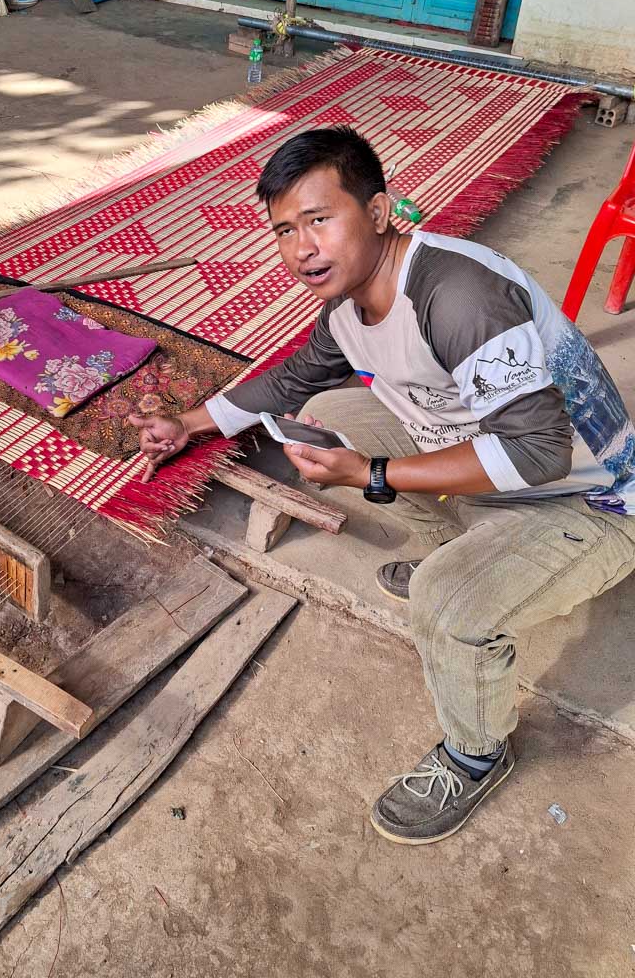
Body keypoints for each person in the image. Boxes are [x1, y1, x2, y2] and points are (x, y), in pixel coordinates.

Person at [130, 126, 635, 846]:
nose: (301, 248)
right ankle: (464, 544)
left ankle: (476, 753)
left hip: (590, 500)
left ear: (378, 211)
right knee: (329, 413)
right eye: (283, 231)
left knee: (447, 603)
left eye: (319, 219)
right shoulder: (346, 304)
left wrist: (372, 475)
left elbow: (539, 455)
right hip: (488, 468)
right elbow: (291, 379)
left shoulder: (458, 294)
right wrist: (189, 423)